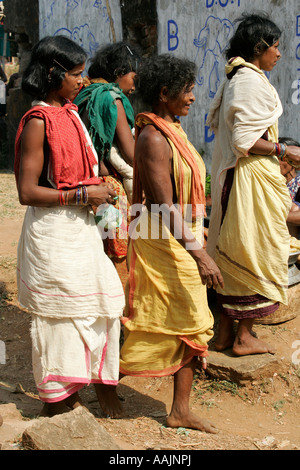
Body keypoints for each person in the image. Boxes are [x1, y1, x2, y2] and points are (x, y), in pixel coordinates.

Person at [14, 36, 125, 418]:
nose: (83, 80)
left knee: (102, 305)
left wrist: (101, 184)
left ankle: (99, 387)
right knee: (62, 317)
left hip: (82, 230)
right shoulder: (38, 121)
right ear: (51, 73)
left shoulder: (70, 111)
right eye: (76, 74)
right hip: (54, 233)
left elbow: (82, 170)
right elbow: (27, 192)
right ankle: (59, 400)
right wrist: (82, 196)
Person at [119, 54, 224, 433]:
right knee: (182, 320)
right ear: (164, 94)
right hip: (164, 240)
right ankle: (104, 386)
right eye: (188, 90)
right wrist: (199, 254)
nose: (194, 97)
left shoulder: (171, 128)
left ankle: (180, 409)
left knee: (188, 323)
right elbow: (162, 205)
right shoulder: (152, 137)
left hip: (182, 234)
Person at [206, 13, 300, 357]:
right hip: (249, 180)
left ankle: (224, 334)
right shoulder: (247, 80)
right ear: (259, 47)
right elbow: (245, 140)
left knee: (238, 247)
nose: (278, 54)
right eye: (275, 47)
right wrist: (284, 150)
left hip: (248, 178)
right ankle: (243, 336)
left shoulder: (243, 77)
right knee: (256, 247)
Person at [74, 42, 140, 273]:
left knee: (97, 247)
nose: (134, 86)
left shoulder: (82, 93)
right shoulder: (112, 98)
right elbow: (131, 154)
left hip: (83, 183)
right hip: (109, 186)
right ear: (119, 73)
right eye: (133, 77)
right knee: (119, 253)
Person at [278, 137, 300, 239]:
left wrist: (270, 216)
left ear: (293, 161)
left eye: (279, 158)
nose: (275, 163)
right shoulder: (273, 186)